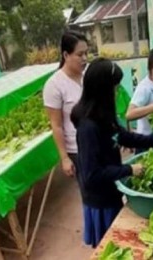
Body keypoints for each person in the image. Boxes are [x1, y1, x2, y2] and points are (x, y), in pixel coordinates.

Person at [71, 58, 153, 248]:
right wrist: (129, 169)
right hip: (100, 199)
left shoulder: (104, 117)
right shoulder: (88, 128)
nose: (116, 94)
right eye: (114, 89)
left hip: (112, 190)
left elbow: (127, 137)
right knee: (109, 246)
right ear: (101, 91)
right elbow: (92, 175)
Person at [43, 30, 88, 177]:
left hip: (97, 141)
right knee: (90, 190)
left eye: (86, 53)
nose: (85, 59)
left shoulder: (88, 75)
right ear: (66, 55)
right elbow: (56, 125)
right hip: (77, 149)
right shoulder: (54, 85)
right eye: (80, 55)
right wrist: (65, 158)